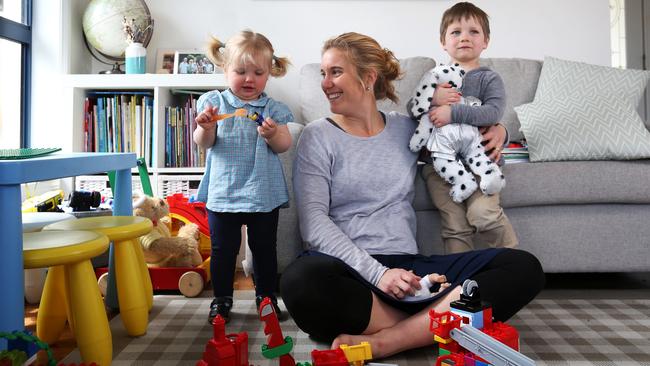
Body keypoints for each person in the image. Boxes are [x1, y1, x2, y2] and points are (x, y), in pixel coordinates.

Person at [280, 32, 544, 359]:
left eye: (335, 72)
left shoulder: (407, 129)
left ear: (368, 78)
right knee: (299, 281)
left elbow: (463, 141)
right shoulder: (317, 136)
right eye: (323, 73)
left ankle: (387, 340)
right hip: (352, 272)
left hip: (411, 271)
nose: (326, 83)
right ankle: (435, 318)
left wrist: (500, 131)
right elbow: (315, 225)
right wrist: (380, 275)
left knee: (522, 267)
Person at [193, 29, 293, 324]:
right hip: (223, 192)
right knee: (223, 250)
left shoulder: (273, 109)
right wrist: (206, 127)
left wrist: (274, 134)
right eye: (240, 71)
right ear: (225, 70)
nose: (249, 79)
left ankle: (266, 298)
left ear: (269, 74)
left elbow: (284, 145)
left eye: (258, 72)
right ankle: (222, 299)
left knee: (264, 249)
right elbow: (203, 142)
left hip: (263, 191)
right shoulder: (213, 104)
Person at [417, 2, 518, 254]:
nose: (464, 37)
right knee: (454, 225)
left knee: (484, 214)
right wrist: (433, 98)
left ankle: (514, 264)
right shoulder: (433, 77)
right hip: (439, 167)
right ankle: (459, 282)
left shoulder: (488, 78)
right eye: (456, 32)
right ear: (443, 41)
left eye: (473, 32)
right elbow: (414, 110)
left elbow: (492, 112)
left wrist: (452, 112)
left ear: (486, 41)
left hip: (480, 164)